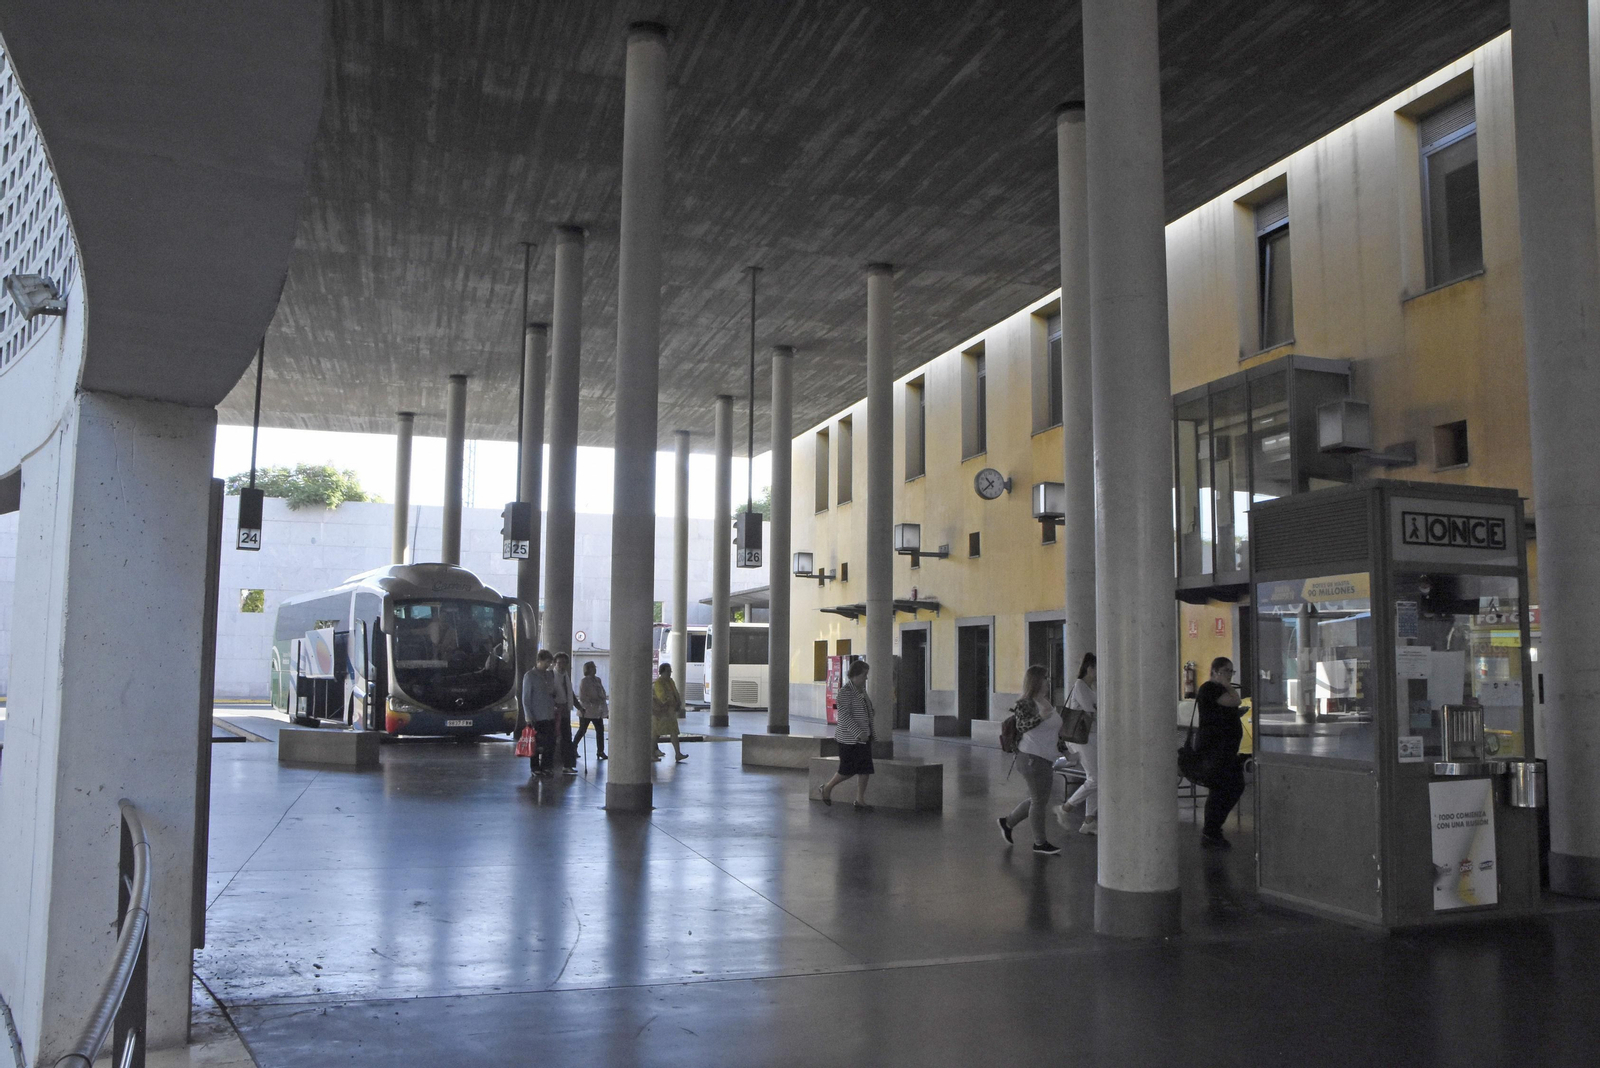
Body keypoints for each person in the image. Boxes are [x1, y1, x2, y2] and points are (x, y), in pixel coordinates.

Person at [996, 665, 1064, 855]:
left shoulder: (1046, 701)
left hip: (1045, 757)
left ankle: (1007, 822)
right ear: (1035, 681)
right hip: (1031, 757)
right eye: (1044, 678)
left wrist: (1065, 751)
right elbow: (1022, 725)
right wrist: (1040, 717)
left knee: (1038, 799)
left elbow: (1053, 733)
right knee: (1039, 801)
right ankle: (1039, 843)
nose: (1048, 681)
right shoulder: (1025, 703)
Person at [1195, 656, 1247, 848]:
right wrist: (1228, 686)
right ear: (1216, 671)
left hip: (1225, 751)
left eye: (1232, 671)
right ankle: (1211, 831)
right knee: (1223, 788)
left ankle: (1213, 830)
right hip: (1215, 751)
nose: (1230, 675)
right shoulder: (1210, 688)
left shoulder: (1219, 690)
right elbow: (1235, 700)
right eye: (1227, 671)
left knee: (1229, 787)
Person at [817, 659, 874, 809]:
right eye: (864, 675)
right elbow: (845, 717)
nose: (866, 678)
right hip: (849, 739)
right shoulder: (845, 692)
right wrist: (858, 733)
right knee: (847, 770)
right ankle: (827, 788)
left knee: (865, 769)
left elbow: (866, 710)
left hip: (864, 737)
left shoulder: (862, 691)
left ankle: (860, 800)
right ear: (855, 675)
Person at [1058, 652, 1098, 835]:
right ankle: (1066, 807)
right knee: (1095, 779)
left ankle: (1089, 821)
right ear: (1090, 669)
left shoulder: (1090, 688)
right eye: (1097, 668)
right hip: (1080, 739)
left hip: (1090, 738)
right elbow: (1091, 711)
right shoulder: (1080, 685)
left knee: (1095, 778)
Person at [521, 649, 558, 776]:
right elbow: (526, 698)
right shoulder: (530, 676)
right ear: (539, 661)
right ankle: (535, 767)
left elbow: (552, 692)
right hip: (536, 716)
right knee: (536, 743)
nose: (548, 665)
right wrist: (528, 716)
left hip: (549, 714)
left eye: (549, 662)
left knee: (550, 742)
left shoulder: (549, 675)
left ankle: (547, 766)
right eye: (546, 662)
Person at [651, 663, 689, 762]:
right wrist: (671, 702)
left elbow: (676, 693)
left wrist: (678, 702)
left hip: (670, 713)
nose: (669, 673)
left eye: (670, 671)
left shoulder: (671, 681)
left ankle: (678, 754)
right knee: (656, 733)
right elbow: (662, 697)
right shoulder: (658, 683)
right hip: (661, 713)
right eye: (667, 671)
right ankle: (651, 754)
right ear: (662, 672)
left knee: (674, 732)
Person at [573, 660, 609, 760]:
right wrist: (592, 700)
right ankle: (573, 747)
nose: (595, 669)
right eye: (593, 667)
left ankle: (600, 751)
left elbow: (602, 691)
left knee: (600, 730)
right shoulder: (584, 681)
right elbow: (583, 696)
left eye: (594, 667)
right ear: (588, 669)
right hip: (587, 710)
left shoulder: (598, 680)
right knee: (582, 730)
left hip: (597, 711)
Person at [552, 652, 579, 773]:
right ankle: (548, 765)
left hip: (565, 712)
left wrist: (579, 707)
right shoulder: (552, 676)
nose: (562, 665)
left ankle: (568, 765)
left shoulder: (565, 676)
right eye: (559, 663)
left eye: (564, 663)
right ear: (555, 663)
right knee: (553, 738)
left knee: (567, 738)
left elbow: (570, 693)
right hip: (554, 712)